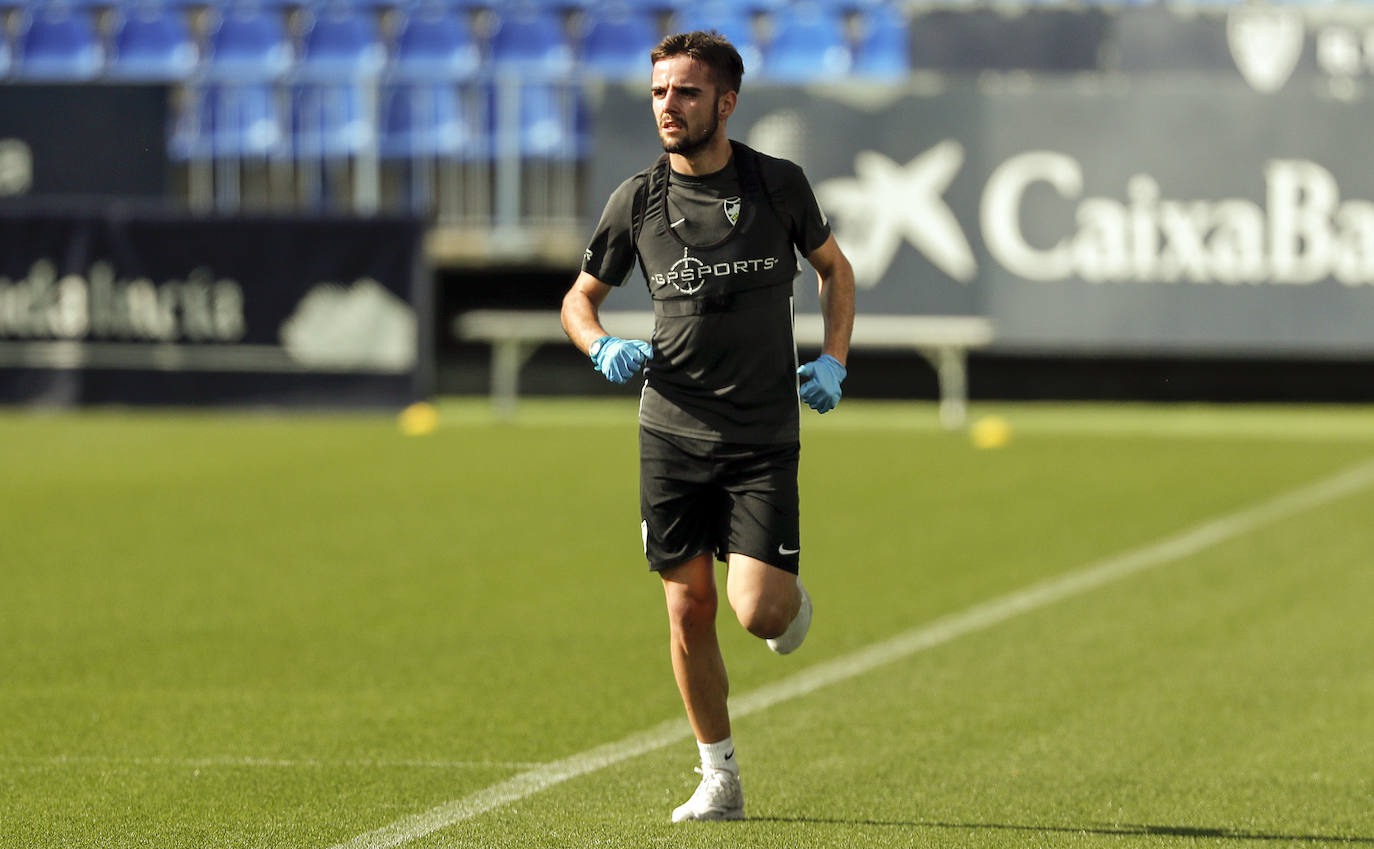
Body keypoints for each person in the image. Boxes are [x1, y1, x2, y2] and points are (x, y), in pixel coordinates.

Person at [560, 30, 855, 823]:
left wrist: (834, 359)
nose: (668, 106)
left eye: (685, 93)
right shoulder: (636, 199)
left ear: (725, 101)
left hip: (762, 433)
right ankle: (718, 775)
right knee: (688, 607)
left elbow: (836, 271)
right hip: (671, 430)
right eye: (659, 92)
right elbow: (578, 299)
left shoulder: (777, 186)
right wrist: (600, 346)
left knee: (757, 611)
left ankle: (789, 605)